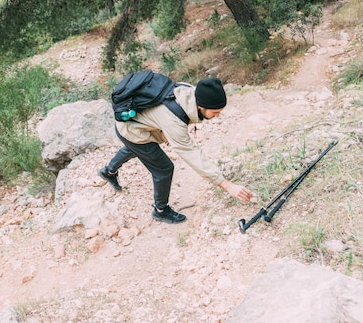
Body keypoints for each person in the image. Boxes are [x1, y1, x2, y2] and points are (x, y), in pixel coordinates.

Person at [98, 77, 253, 224]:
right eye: (215, 112)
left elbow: (164, 112)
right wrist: (227, 185)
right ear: (201, 107)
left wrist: (166, 131)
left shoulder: (187, 90)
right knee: (164, 168)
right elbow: (193, 155)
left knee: (135, 149)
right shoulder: (174, 122)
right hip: (131, 131)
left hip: (135, 124)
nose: (218, 116)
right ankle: (161, 210)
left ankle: (108, 171)